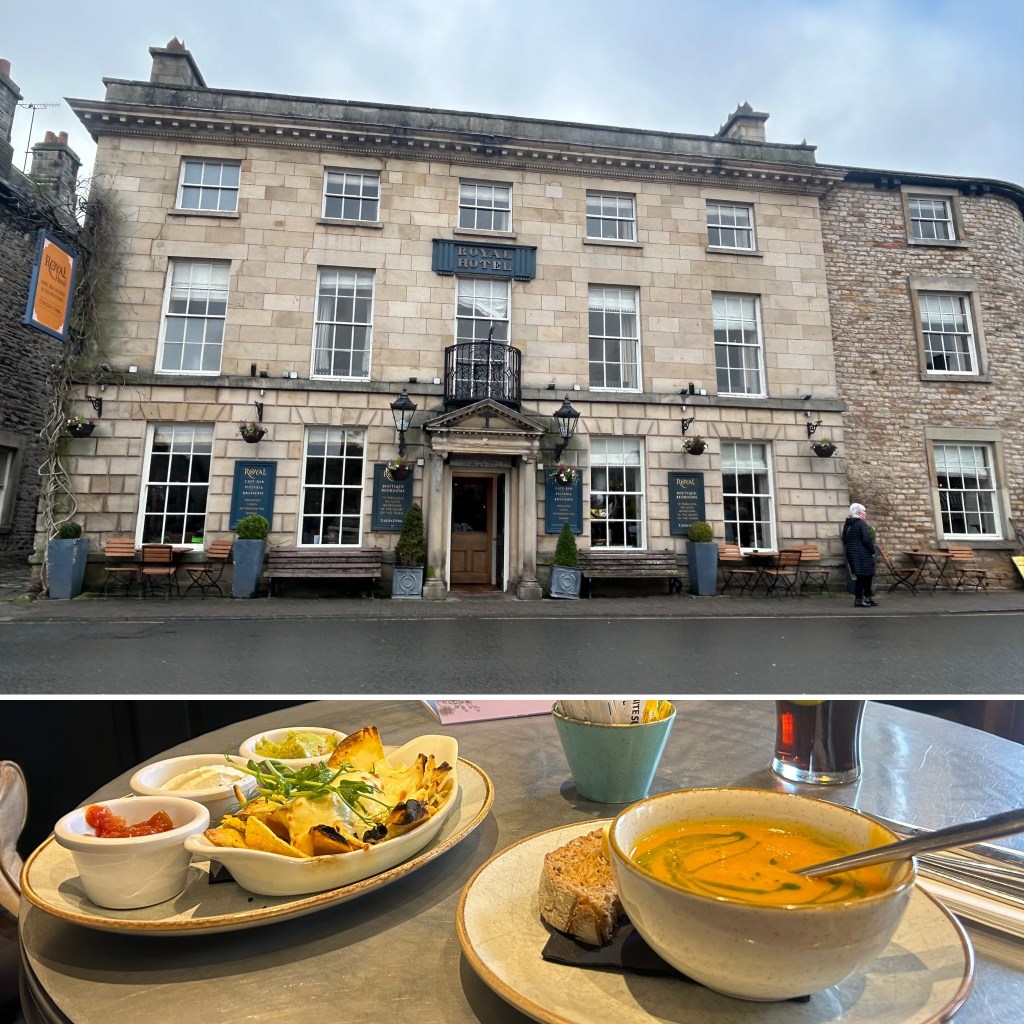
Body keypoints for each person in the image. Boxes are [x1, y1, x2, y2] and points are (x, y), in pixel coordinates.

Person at [842, 502, 877, 607]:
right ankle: (860, 599)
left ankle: (866, 598)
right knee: (864, 577)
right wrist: (872, 551)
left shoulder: (848, 524)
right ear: (859, 513)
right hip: (862, 553)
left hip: (852, 553)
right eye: (863, 511)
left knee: (862, 576)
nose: (865, 513)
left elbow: (844, 539)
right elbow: (867, 539)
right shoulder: (861, 524)